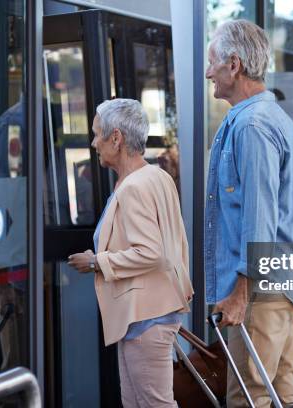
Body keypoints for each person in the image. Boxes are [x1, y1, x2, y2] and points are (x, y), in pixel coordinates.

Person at [204, 20, 293, 407]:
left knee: (248, 399)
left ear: (233, 65)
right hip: (284, 289)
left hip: (262, 292)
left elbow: (260, 220)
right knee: (279, 396)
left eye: (212, 63)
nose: (208, 73)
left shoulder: (252, 126)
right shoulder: (276, 120)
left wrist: (240, 293)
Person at [68, 98, 193, 408]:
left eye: (97, 134)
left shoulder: (134, 186)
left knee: (152, 404)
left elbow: (153, 252)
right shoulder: (158, 177)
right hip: (150, 314)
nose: (94, 143)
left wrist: (98, 262)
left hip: (145, 318)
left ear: (116, 138)